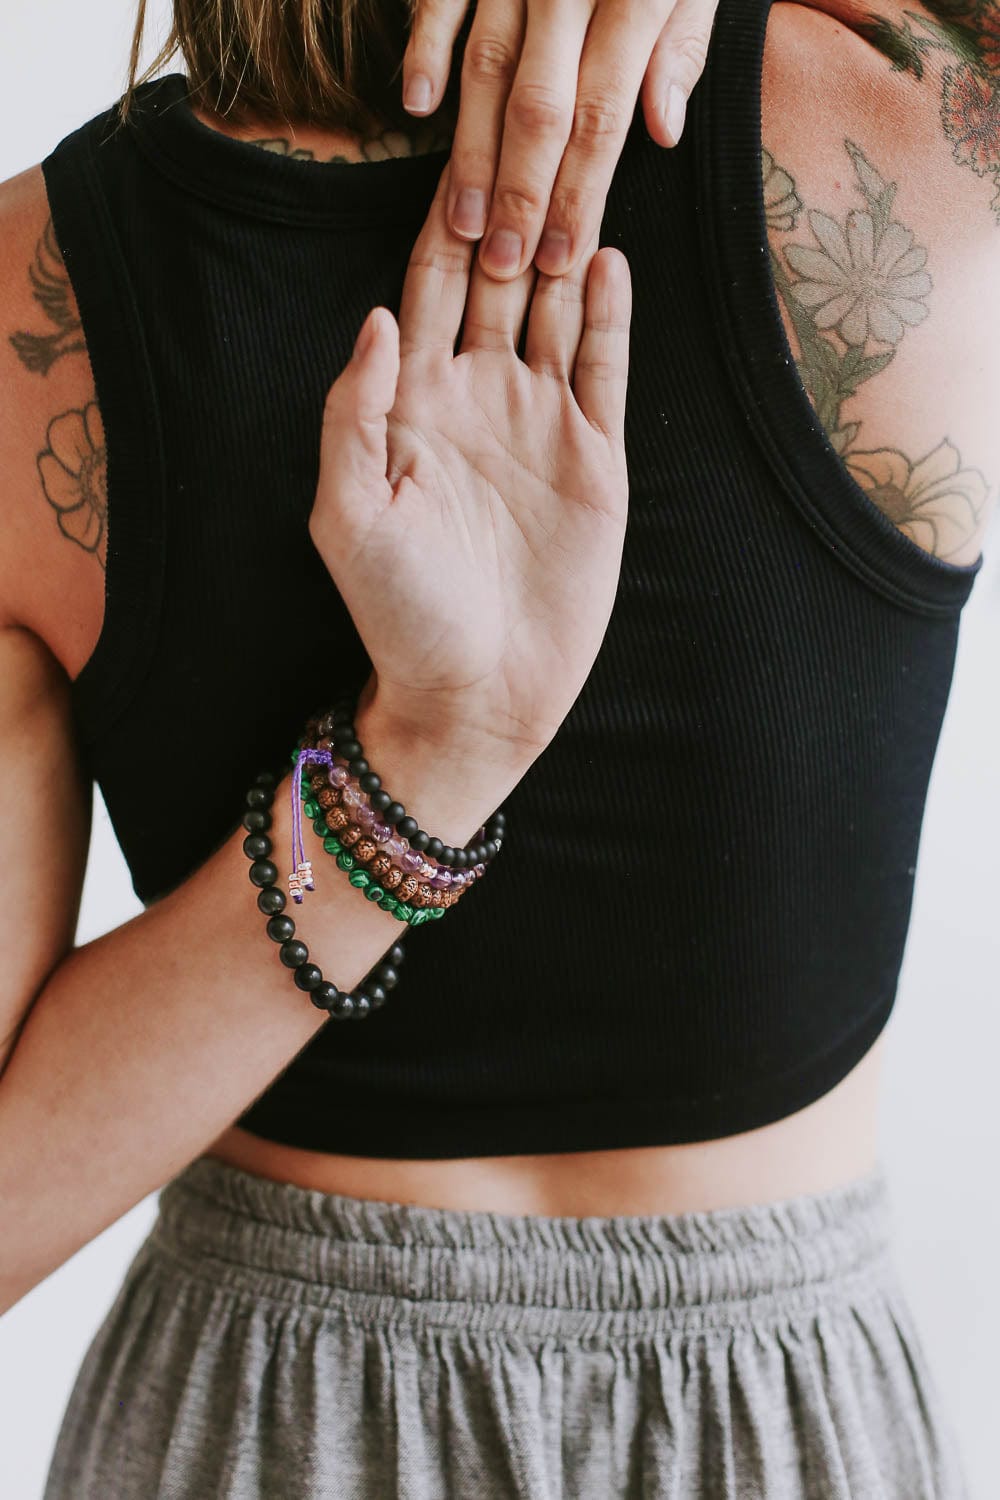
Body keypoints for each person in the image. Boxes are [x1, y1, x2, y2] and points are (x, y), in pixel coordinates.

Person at [0, 0, 996, 1493]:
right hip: (773, 1429)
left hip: (258, 1428)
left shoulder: (26, 305)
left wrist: (422, 764)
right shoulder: (900, 127)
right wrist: (435, 747)